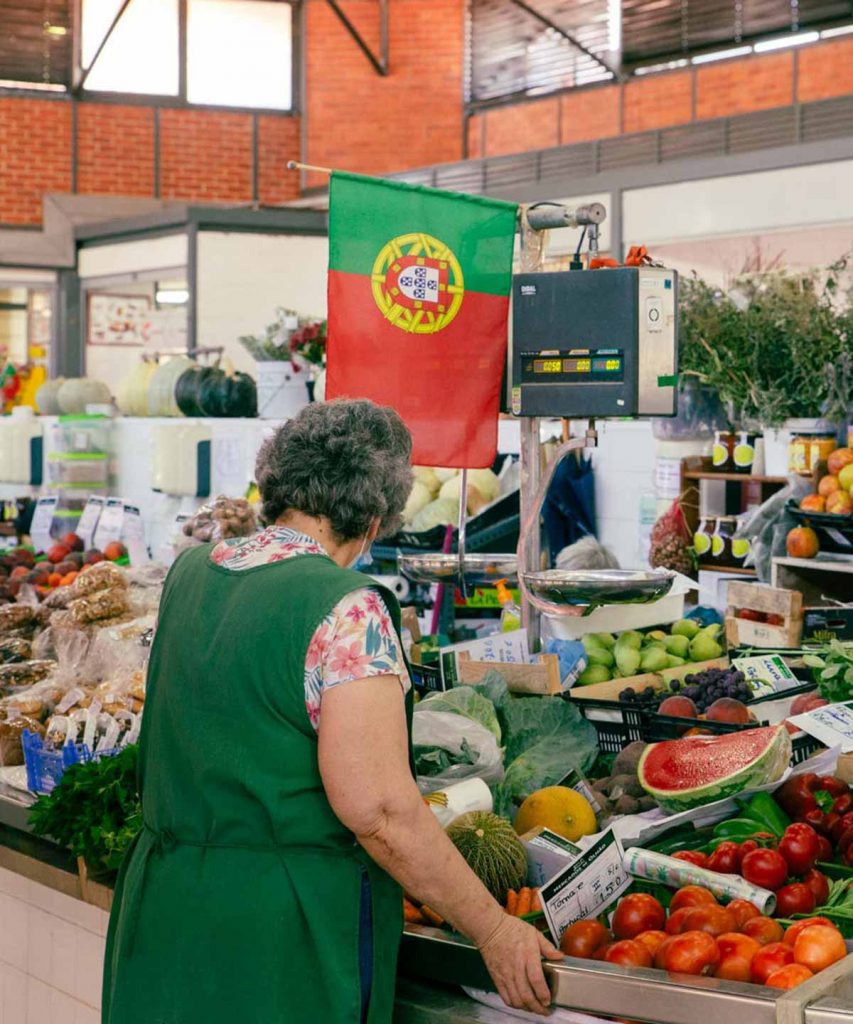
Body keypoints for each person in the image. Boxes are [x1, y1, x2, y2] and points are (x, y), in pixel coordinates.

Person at [102, 399, 561, 1024]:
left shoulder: (191, 573)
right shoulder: (348, 609)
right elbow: (380, 812)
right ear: (373, 520)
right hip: (281, 936)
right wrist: (494, 930)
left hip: (164, 907)